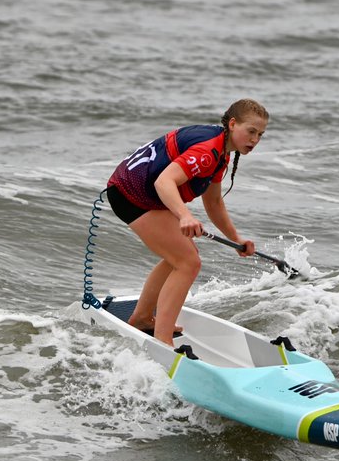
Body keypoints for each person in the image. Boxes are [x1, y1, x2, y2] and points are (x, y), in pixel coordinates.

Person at [104, 98, 269, 348]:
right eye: (251, 131)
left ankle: (142, 318)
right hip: (131, 194)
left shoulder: (220, 151)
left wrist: (236, 239)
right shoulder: (207, 152)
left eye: (260, 135)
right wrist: (185, 216)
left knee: (183, 256)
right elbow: (164, 182)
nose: (255, 140)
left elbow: (213, 203)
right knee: (188, 262)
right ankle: (162, 339)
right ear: (233, 124)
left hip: (137, 192)